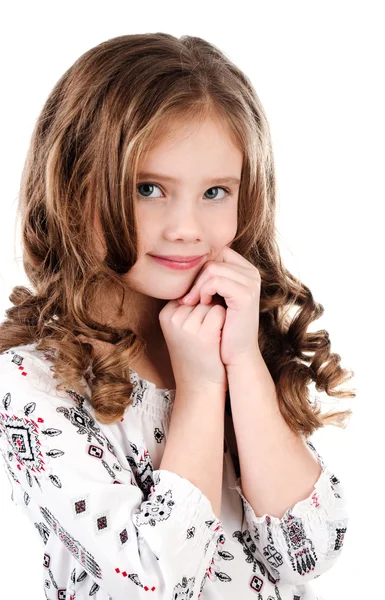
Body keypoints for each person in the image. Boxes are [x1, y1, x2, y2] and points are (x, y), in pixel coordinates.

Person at [0, 33, 355, 600]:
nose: (186, 226)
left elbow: (306, 552)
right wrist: (199, 387)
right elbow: (156, 582)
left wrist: (240, 361)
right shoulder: (32, 383)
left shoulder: (235, 336)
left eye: (215, 191)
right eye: (149, 189)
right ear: (75, 188)